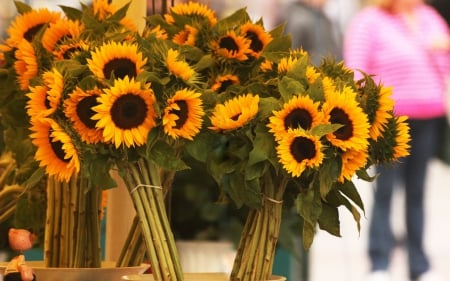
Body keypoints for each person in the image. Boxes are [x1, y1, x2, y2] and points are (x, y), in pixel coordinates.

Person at [343, 0, 450, 281]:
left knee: (417, 192)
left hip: (427, 115)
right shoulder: (369, 21)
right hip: (389, 120)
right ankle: (379, 262)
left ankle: (419, 264)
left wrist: (442, 48)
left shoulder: (428, 17)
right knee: (385, 190)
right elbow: (355, 68)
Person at [283, 0, 343, 65]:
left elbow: (332, 49)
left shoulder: (324, 18)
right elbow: (291, 55)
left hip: (325, 70)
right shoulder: (298, 20)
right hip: (310, 71)